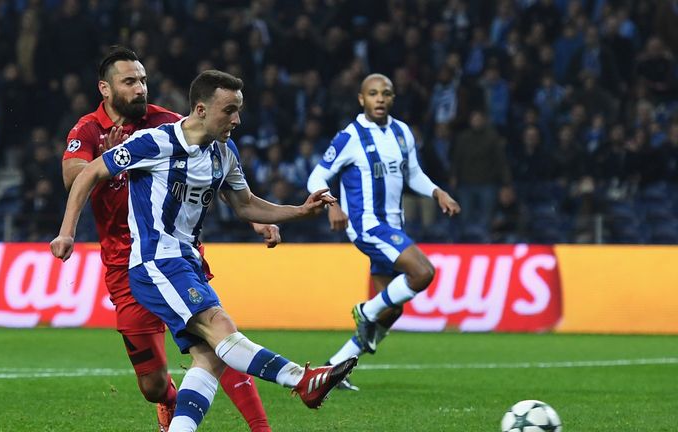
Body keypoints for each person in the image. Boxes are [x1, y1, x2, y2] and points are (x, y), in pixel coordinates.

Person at [52, 69, 358, 432]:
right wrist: (67, 232)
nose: (237, 120)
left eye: (239, 110)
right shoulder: (155, 142)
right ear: (200, 109)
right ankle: (300, 380)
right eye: (229, 110)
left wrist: (299, 211)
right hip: (155, 262)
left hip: (188, 262)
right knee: (219, 328)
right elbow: (88, 174)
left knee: (210, 357)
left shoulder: (224, 153)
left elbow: (244, 204)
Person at [62, 48, 275, 431]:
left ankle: (261, 427)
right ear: (105, 89)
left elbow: (212, 163)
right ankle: (170, 402)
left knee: (215, 340)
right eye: (130, 81)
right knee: (152, 383)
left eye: (142, 79)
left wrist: (257, 221)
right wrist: (109, 162)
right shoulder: (87, 130)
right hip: (123, 266)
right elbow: (74, 175)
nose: (140, 87)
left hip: (176, 252)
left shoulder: (167, 123)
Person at [307, 73, 460, 390]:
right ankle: (365, 310)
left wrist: (437, 192)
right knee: (423, 273)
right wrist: (331, 204)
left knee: (390, 311)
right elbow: (317, 177)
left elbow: (413, 174)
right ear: (361, 99)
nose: (380, 98)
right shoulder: (350, 136)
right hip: (368, 225)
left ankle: (332, 372)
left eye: (386, 93)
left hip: (393, 226)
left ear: (392, 98)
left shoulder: (402, 132)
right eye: (373, 93)